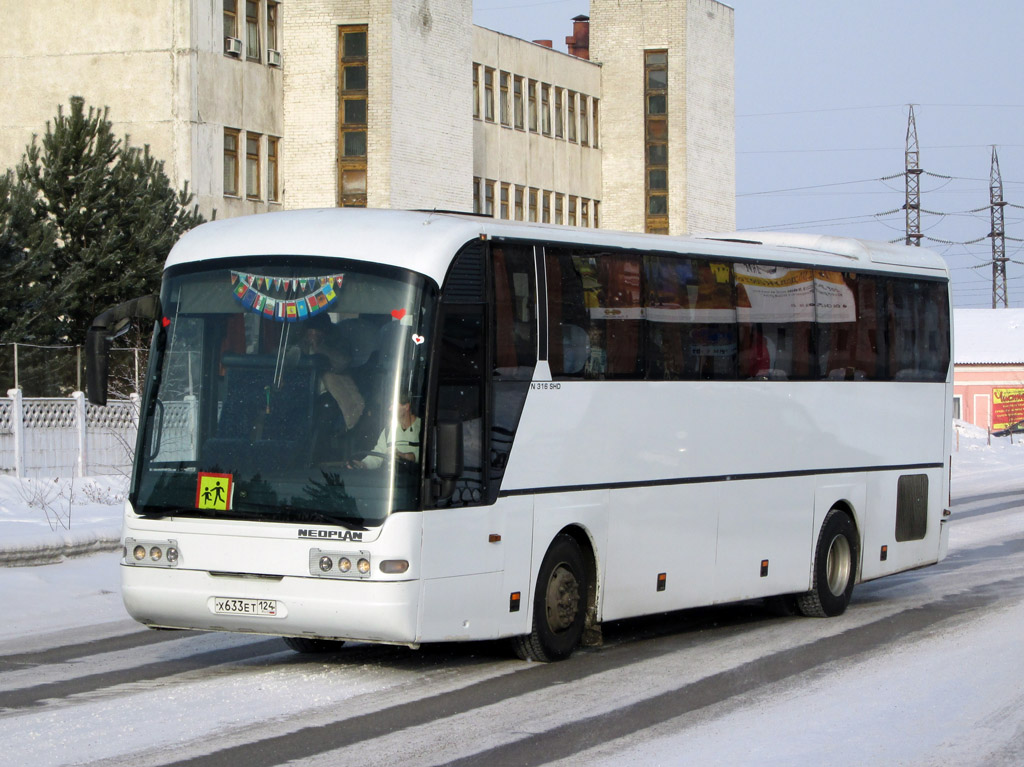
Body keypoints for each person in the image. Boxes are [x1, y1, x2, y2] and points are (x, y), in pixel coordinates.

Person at [301, 313, 364, 431]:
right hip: (304, 393)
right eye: (310, 332)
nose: (313, 336)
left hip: (330, 396)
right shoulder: (300, 345)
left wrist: (320, 348)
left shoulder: (338, 343)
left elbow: (343, 362)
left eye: (317, 332)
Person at [347, 392, 420, 470]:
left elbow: (428, 457)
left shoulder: (423, 428)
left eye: (393, 405)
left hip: (415, 479)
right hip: (391, 480)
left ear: (406, 406)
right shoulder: (388, 430)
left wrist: (402, 456)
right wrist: (363, 464)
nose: (390, 409)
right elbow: (378, 454)